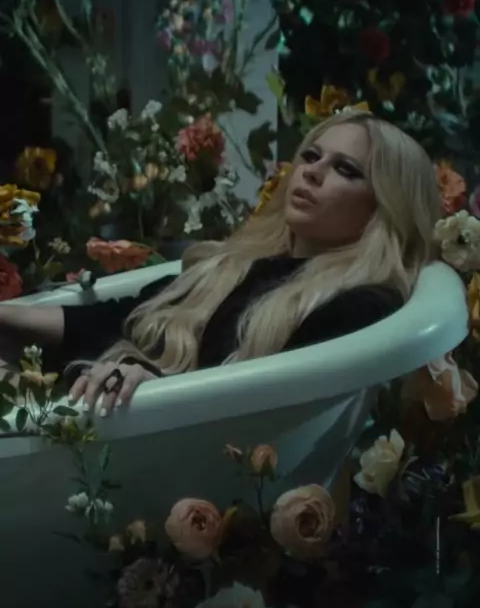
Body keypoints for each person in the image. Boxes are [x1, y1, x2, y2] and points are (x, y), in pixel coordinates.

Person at [0, 109, 440, 415]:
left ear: (385, 206)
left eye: (346, 170)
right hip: (82, 405)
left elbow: (254, 408)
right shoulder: (243, 263)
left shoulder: (358, 305)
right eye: (311, 155)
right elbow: (120, 318)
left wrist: (154, 384)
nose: (311, 171)